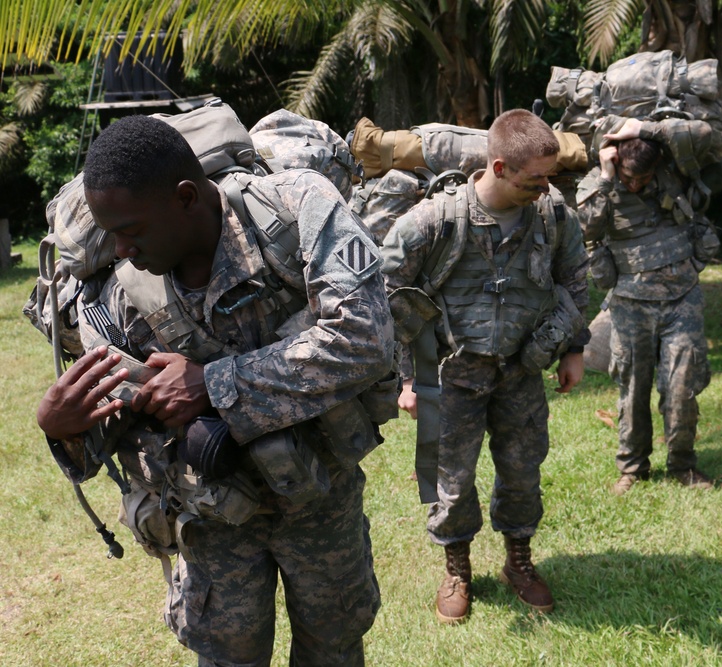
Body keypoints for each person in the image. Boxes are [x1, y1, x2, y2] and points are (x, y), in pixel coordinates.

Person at [38, 114, 394, 666]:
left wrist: (215, 383)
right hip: (212, 518)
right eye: (110, 235)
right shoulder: (118, 297)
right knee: (228, 658)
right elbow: (116, 429)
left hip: (319, 496)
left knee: (334, 647)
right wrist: (63, 431)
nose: (122, 249)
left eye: (131, 231)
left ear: (185, 197)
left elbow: (366, 339)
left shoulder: (294, 210)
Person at [379, 109, 590, 624]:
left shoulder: (553, 215)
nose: (545, 188)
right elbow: (388, 297)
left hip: (521, 371)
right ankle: (457, 568)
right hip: (450, 376)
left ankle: (518, 561)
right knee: (451, 479)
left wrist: (574, 349)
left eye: (549, 178)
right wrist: (407, 377)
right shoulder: (434, 221)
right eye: (534, 179)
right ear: (498, 167)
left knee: (522, 472)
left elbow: (575, 278)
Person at [577, 116, 722, 495]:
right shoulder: (601, 182)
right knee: (632, 387)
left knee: (681, 387)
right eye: (628, 176)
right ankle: (632, 468)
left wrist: (644, 128)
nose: (634, 184)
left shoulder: (674, 167)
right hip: (629, 304)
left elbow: (708, 133)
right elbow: (587, 228)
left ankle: (683, 465)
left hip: (682, 298)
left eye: (641, 178)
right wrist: (609, 177)